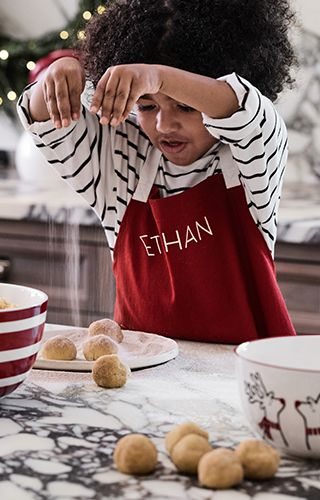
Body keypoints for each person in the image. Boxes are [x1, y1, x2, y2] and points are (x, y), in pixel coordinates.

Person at [17, 0, 297, 343]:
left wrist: (156, 77)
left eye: (185, 105)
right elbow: (42, 118)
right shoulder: (121, 163)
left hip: (243, 377)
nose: (165, 125)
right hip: (147, 383)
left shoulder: (252, 157)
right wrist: (64, 71)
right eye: (147, 106)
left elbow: (247, 108)